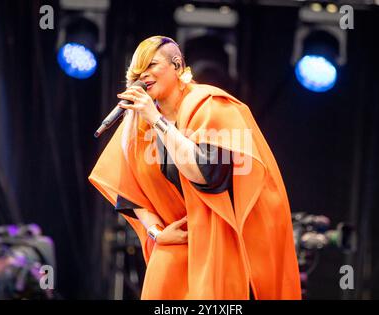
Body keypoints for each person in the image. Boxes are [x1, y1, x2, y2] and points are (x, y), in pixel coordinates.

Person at [89, 36, 301, 300]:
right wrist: (157, 233)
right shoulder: (138, 125)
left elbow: (207, 174)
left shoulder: (212, 105)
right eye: (136, 72)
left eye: (152, 65)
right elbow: (128, 193)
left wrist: (156, 120)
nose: (143, 75)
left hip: (220, 245)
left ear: (177, 66)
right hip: (174, 249)